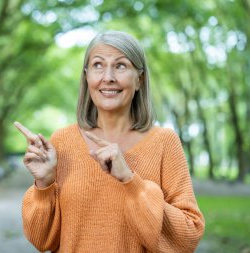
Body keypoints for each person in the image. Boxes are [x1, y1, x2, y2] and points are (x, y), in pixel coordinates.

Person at [14, 30, 204, 253]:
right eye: (98, 65)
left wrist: (130, 181)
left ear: (139, 79)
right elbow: (42, 239)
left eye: (121, 65)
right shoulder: (62, 142)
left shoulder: (164, 142)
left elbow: (187, 238)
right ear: (87, 76)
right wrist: (44, 184)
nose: (108, 77)